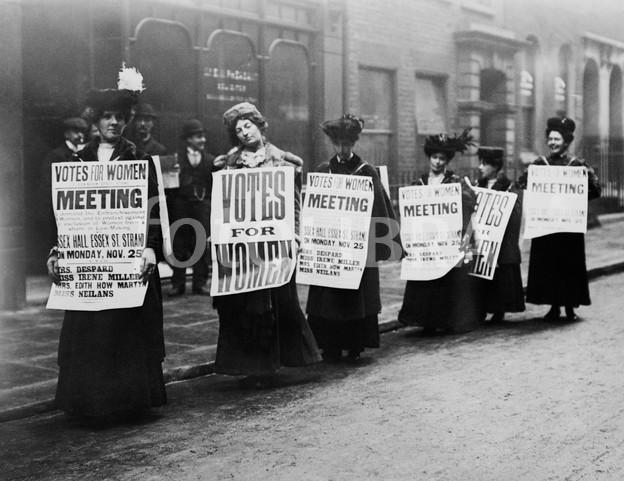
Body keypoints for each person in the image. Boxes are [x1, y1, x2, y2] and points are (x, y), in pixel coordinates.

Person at [46, 66, 167, 422]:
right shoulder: (76, 162)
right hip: (90, 263)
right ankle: (90, 402)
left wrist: (151, 248)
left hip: (128, 262)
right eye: (106, 117)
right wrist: (57, 250)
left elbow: (156, 210)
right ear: (95, 122)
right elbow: (63, 215)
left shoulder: (140, 161)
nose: (113, 123)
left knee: (125, 330)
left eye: (119, 117)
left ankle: (127, 402)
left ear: (127, 120)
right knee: (92, 331)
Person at [212, 102, 321, 383]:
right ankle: (251, 366)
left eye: (248, 125)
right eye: (238, 130)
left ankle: (278, 362)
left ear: (260, 126)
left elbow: (294, 205)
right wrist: (218, 230)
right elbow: (223, 205)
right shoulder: (229, 164)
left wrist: (296, 234)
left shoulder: (284, 162)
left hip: (276, 245)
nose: (245, 133)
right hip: (242, 248)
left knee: (278, 302)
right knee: (245, 303)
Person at [306, 114, 399, 363]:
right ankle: (330, 346)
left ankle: (355, 345)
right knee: (329, 298)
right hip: (331, 245)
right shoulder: (324, 171)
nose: (343, 149)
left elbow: (380, 209)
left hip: (358, 246)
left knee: (354, 299)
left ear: (354, 144)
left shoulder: (366, 172)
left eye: (347, 145)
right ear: (333, 145)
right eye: (338, 144)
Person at [398, 130, 484, 334]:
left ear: (447, 160)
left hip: (447, 240)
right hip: (427, 240)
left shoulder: (455, 182)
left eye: (442, 158)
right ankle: (426, 320)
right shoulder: (419, 183)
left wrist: (460, 195)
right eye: (435, 157)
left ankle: (446, 319)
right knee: (426, 279)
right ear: (429, 157)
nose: (437, 162)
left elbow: (472, 201)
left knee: (446, 280)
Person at [516, 116, 601, 322]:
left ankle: (570, 306)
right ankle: (554, 306)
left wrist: (579, 194)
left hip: (568, 227)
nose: (552, 142)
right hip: (546, 225)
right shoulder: (539, 164)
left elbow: (596, 190)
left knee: (568, 265)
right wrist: (532, 179)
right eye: (550, 139)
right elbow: (522, 183)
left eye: (557, 139)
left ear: (566, 141)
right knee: (549, 265)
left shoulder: (577, 165)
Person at [476, 146, 525, 323]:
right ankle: (480, 307)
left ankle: (498, 309)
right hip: (482, 237)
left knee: (499, 274)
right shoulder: (478, 184)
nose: (480, 167)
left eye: (485, 164)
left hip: (500, 239)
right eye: (480, 163)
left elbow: (514, 213)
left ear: (495, 167)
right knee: (479, 272)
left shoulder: (508, 186)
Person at [168, 119, 215, 297]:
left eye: (203, 136)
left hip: (202, 207)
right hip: (181, 206)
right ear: (188, 139)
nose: (202, 140)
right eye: (197, 136)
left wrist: (208, 203)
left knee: (201, 244)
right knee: (178, 244)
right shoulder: (175, 160)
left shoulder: (210, 160)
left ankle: (200, 283)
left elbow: (213, 185)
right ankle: (177, 283)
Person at [39, 117, 88, 252]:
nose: (80, 135)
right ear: (66, 133)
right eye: (75, 131)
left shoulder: (85, 154)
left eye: (82, 131)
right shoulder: (55, 156)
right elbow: (46, 189)